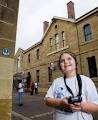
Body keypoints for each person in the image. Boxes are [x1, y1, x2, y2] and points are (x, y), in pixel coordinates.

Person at [44, 51, 98, 120]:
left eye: (69, 59)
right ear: (60, 66)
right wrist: (60, 103)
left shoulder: (87, 81)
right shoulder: (56, 82)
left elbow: (96, 106)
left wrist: (81, 106)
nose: (66, 62)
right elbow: (47, 100)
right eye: (62, 61)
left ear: (75, 63)